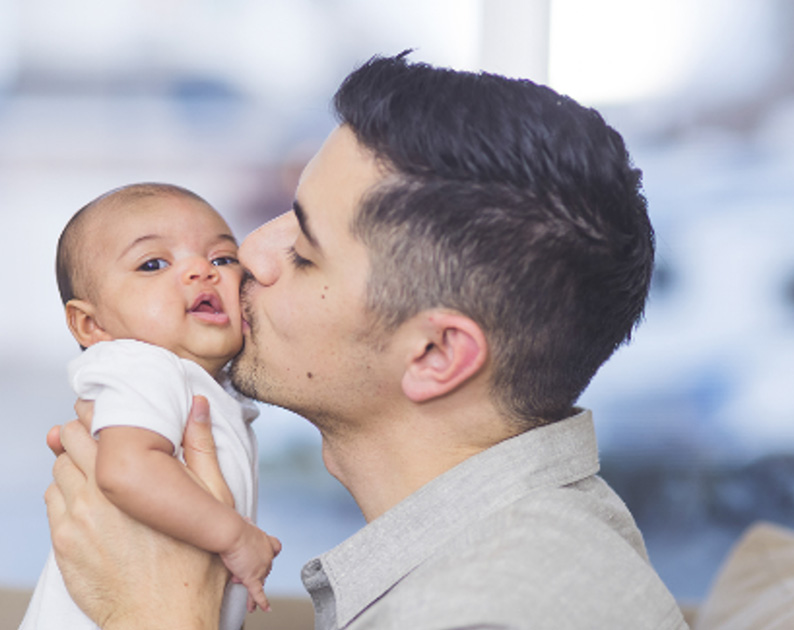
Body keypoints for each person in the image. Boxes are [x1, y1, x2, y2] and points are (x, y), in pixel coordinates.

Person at [43, 53, 689, 629]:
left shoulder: (476, 613)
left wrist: (160, 615)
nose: (249, 253)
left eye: (304, 251)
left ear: (435, 354)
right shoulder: (537, 542)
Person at [19, 183, 281, 630]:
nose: (201, 270)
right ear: (91, 324)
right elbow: (126, 471)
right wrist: (235, 537)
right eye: (153, 264)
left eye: (223, 259)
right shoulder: (142, 364)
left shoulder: (195, 383)